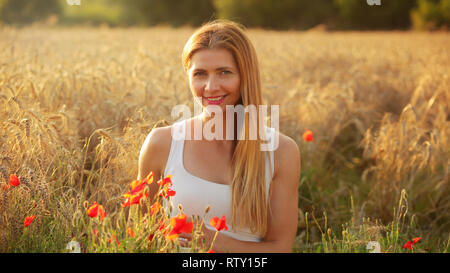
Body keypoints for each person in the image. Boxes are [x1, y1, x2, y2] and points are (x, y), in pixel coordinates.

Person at [137, 19, 300, 253]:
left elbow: (281, 248)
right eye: (200, 74)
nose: (211, 87)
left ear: (246, 76)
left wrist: (217, 243)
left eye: (224, 73)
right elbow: (142, 236)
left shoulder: (281, 151)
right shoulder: (162, 143)